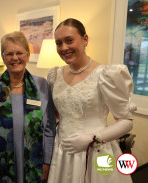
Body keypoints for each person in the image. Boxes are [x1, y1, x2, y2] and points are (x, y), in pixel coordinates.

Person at [47, 18, 136, 183]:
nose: (64, 48)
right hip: (63, 153)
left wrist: (92, 138)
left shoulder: (106, 75)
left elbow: (126, 121)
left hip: (96, 151)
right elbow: (58, 114)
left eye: (69, 40)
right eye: (59, 43)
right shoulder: (55, 76)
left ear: (85, 39)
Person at [0, 31, 56, 183]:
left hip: (36, 165)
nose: (15, 58)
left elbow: (50, 129)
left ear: (27, 55)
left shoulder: (42, 85)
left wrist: (46, 163)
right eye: (9, 54)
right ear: (3, 57)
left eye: (19, 53)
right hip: (0, 168)